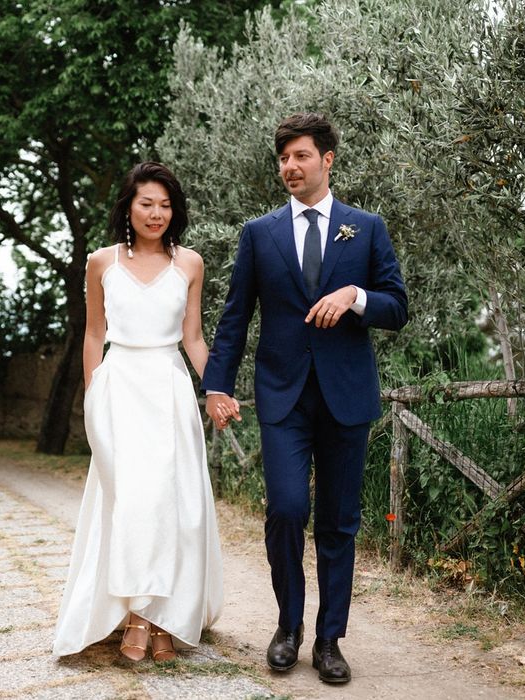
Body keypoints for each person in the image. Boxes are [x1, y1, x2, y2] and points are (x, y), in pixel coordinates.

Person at [202, 113, 407, 684]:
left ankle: (328, 640)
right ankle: (287, 626)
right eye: (284, 158)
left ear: (327, 160)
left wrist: (355, 295)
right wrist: (216, 383)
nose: (290, 167)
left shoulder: (366, 228)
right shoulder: (259, 233)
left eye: (301, 157)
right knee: (287, 508)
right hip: (283, 398)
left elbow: (397, 307)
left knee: (339, 522)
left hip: (347, 396)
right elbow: (235, 316)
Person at [53, 161, 225, 663]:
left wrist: (215, 389)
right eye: (147, 203)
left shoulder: (189, 263)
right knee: (129, 505)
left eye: (166, 205)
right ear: (128, 206)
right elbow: (92, 334)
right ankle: (134, 615)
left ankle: (162, 618)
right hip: (120, 389)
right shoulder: (101, 262)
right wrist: (91, 398)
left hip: (169, 390)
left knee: (174, 506)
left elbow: (192, 337)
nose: (157, 213)